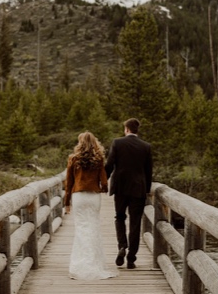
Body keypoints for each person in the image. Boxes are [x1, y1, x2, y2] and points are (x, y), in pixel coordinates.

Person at [64, 132, 119, 280]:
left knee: (81, 228)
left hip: (79, 196)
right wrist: (104, 189)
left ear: (79, 143)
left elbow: (69, 183)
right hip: (93, 196)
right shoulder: (98, 159)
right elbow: (104, 180)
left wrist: (66, 202)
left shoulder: (73, 159)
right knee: (93, 227)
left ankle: (80, 265)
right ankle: (94, 264)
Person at [106, 118, 154, 269]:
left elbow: (109, 164)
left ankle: (122, 246)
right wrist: (146, 190)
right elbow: (148, 171)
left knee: (120, 217)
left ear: (126, 129)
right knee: (135, 223)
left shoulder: (117, 143)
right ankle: (131, 258)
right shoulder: (146, 146)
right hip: (138, 189)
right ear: (136, 130)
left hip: (120, 187)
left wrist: (102, 182)